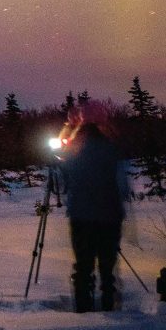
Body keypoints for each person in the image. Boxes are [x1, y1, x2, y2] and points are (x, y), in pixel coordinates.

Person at [57, 106, 126, 312]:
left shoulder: (73, 150)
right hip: (109, 215)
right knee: (107, 265)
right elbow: (122, 184)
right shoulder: (112, 149)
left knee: (84, 265)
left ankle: (83, 306)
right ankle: (108, 303)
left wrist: (67, 128)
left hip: (81, 216)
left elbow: (61, 183)